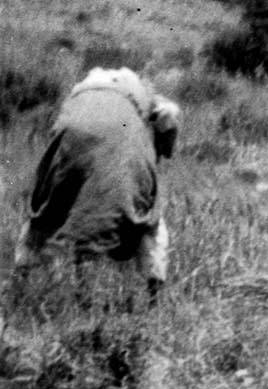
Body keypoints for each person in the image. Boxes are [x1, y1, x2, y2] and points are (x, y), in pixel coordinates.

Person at [13, 67, 180, 307]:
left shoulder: (85, 86)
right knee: (149, 219)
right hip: (119, 132)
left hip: (71, 132)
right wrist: (164, 148)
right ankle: (153, 294)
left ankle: (20, 279)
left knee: (51, 205)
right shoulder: (146, 94)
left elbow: (61, 123)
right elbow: (168, 116)